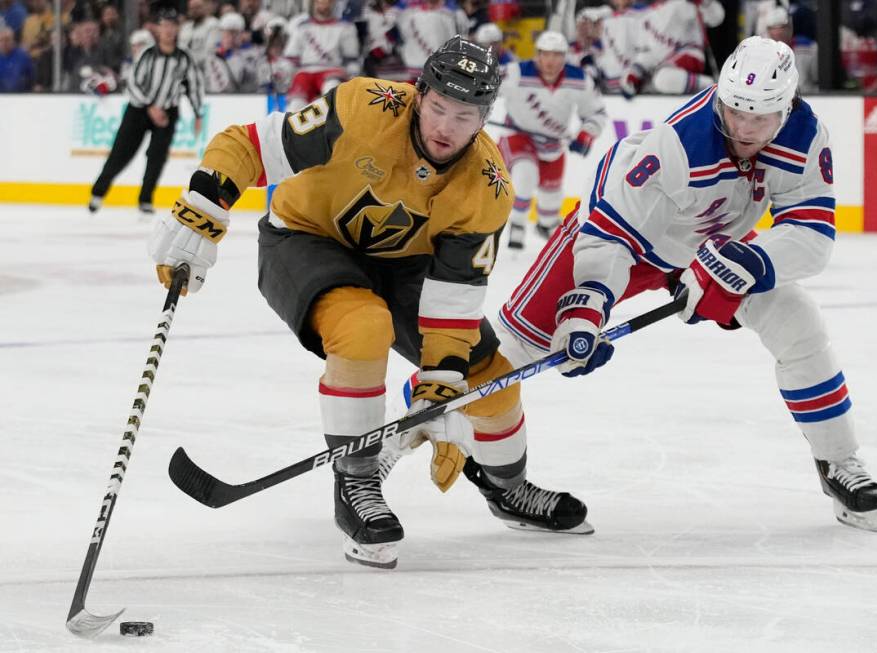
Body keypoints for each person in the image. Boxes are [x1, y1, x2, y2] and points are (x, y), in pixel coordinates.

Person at [147, 36, 591, 570]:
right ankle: (355, 483)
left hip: (404, 267)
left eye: (465, 115)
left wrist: (443, 378)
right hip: (305, 240)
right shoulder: (363, 106)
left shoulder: (488, 184)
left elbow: (456, 293)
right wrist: (202, 205)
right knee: (363, 326)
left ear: (485, 118)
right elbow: (248, 144)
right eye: (438, 108)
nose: (445, 127)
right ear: (418, 94)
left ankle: (508, 488)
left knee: (490, 377)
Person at [497, 36, 877, 533]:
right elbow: (610, 233)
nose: (744, 128)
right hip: (620, 237)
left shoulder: (806, 136)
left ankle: (839, 461)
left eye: (761, 117)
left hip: (710, 247)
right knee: (506, 354)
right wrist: (586, 307)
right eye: (733, 111)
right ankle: (393, 464)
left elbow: (812, 235)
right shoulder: (680, 141)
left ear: (786, 110)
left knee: (798, 324)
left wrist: (748, 259)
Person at [495, 30, 607, 250]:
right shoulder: (516, 73)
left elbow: (597, 113)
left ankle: (545, 224)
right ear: (537, 55)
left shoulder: (580, 79)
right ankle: (517, 224)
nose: (550, 61)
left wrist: (586, 134)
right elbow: (485, 84)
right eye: (546, 54)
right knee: (525, 175)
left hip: (553, 143)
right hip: (518, 135)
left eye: (557, 55)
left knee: (551, 197)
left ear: (565, 57)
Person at [89, 7, 204, 215]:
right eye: (165, 26)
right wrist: (151, 106)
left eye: (173, 26)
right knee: (121, 153)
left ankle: (145, 199)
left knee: (157, 157)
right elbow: (133, 84)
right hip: (139, 110)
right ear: (159, 29)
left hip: (168, 112)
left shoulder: (184, 57)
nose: (169, 31)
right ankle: (98, 193)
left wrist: (198, 113)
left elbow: (193, 85)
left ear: (177, 29)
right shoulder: (147, 54)